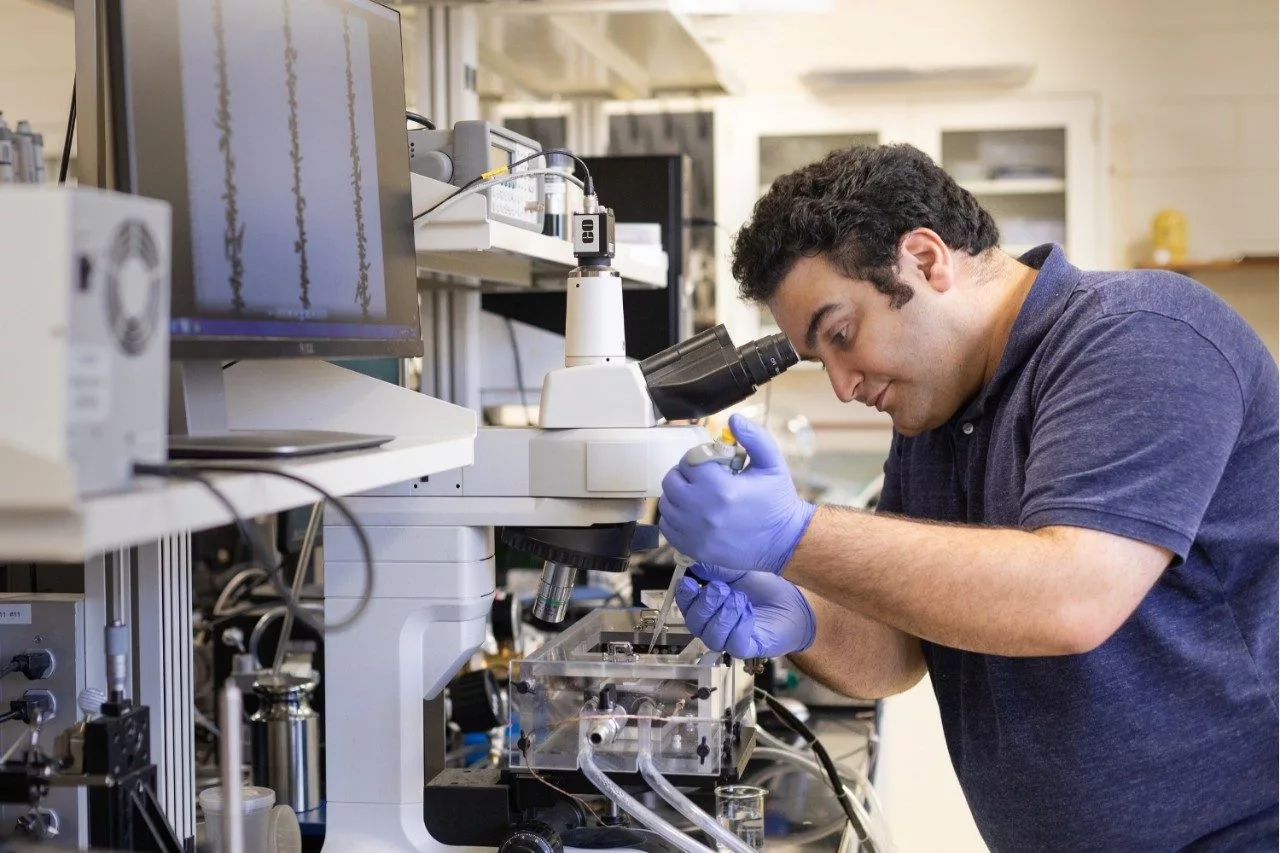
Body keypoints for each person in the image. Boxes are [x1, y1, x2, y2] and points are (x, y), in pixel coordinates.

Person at [659, 143, 1278, 851]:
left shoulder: (1138, 334)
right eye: (819, 357)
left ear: (926, 260)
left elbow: (1069, 596)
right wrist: (802, 613)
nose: (842, 385)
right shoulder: (935, 414)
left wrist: (796, 535)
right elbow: (898, 652)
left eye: (842, 334)